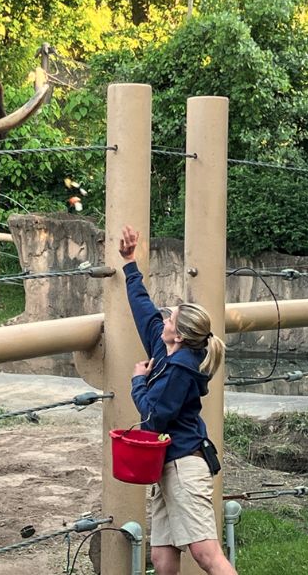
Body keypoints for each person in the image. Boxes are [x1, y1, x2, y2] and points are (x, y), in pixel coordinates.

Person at [119, 225, 237, 575]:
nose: (164, 316)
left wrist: (138, 382)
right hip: (167, 466)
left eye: (169, 317)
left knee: (207, 555)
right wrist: (129, 264)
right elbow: (143, 311)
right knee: (162, 558)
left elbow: (154, 416)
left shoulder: (181, 369)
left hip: (185, 466)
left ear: (180, 334)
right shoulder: (167, 348)